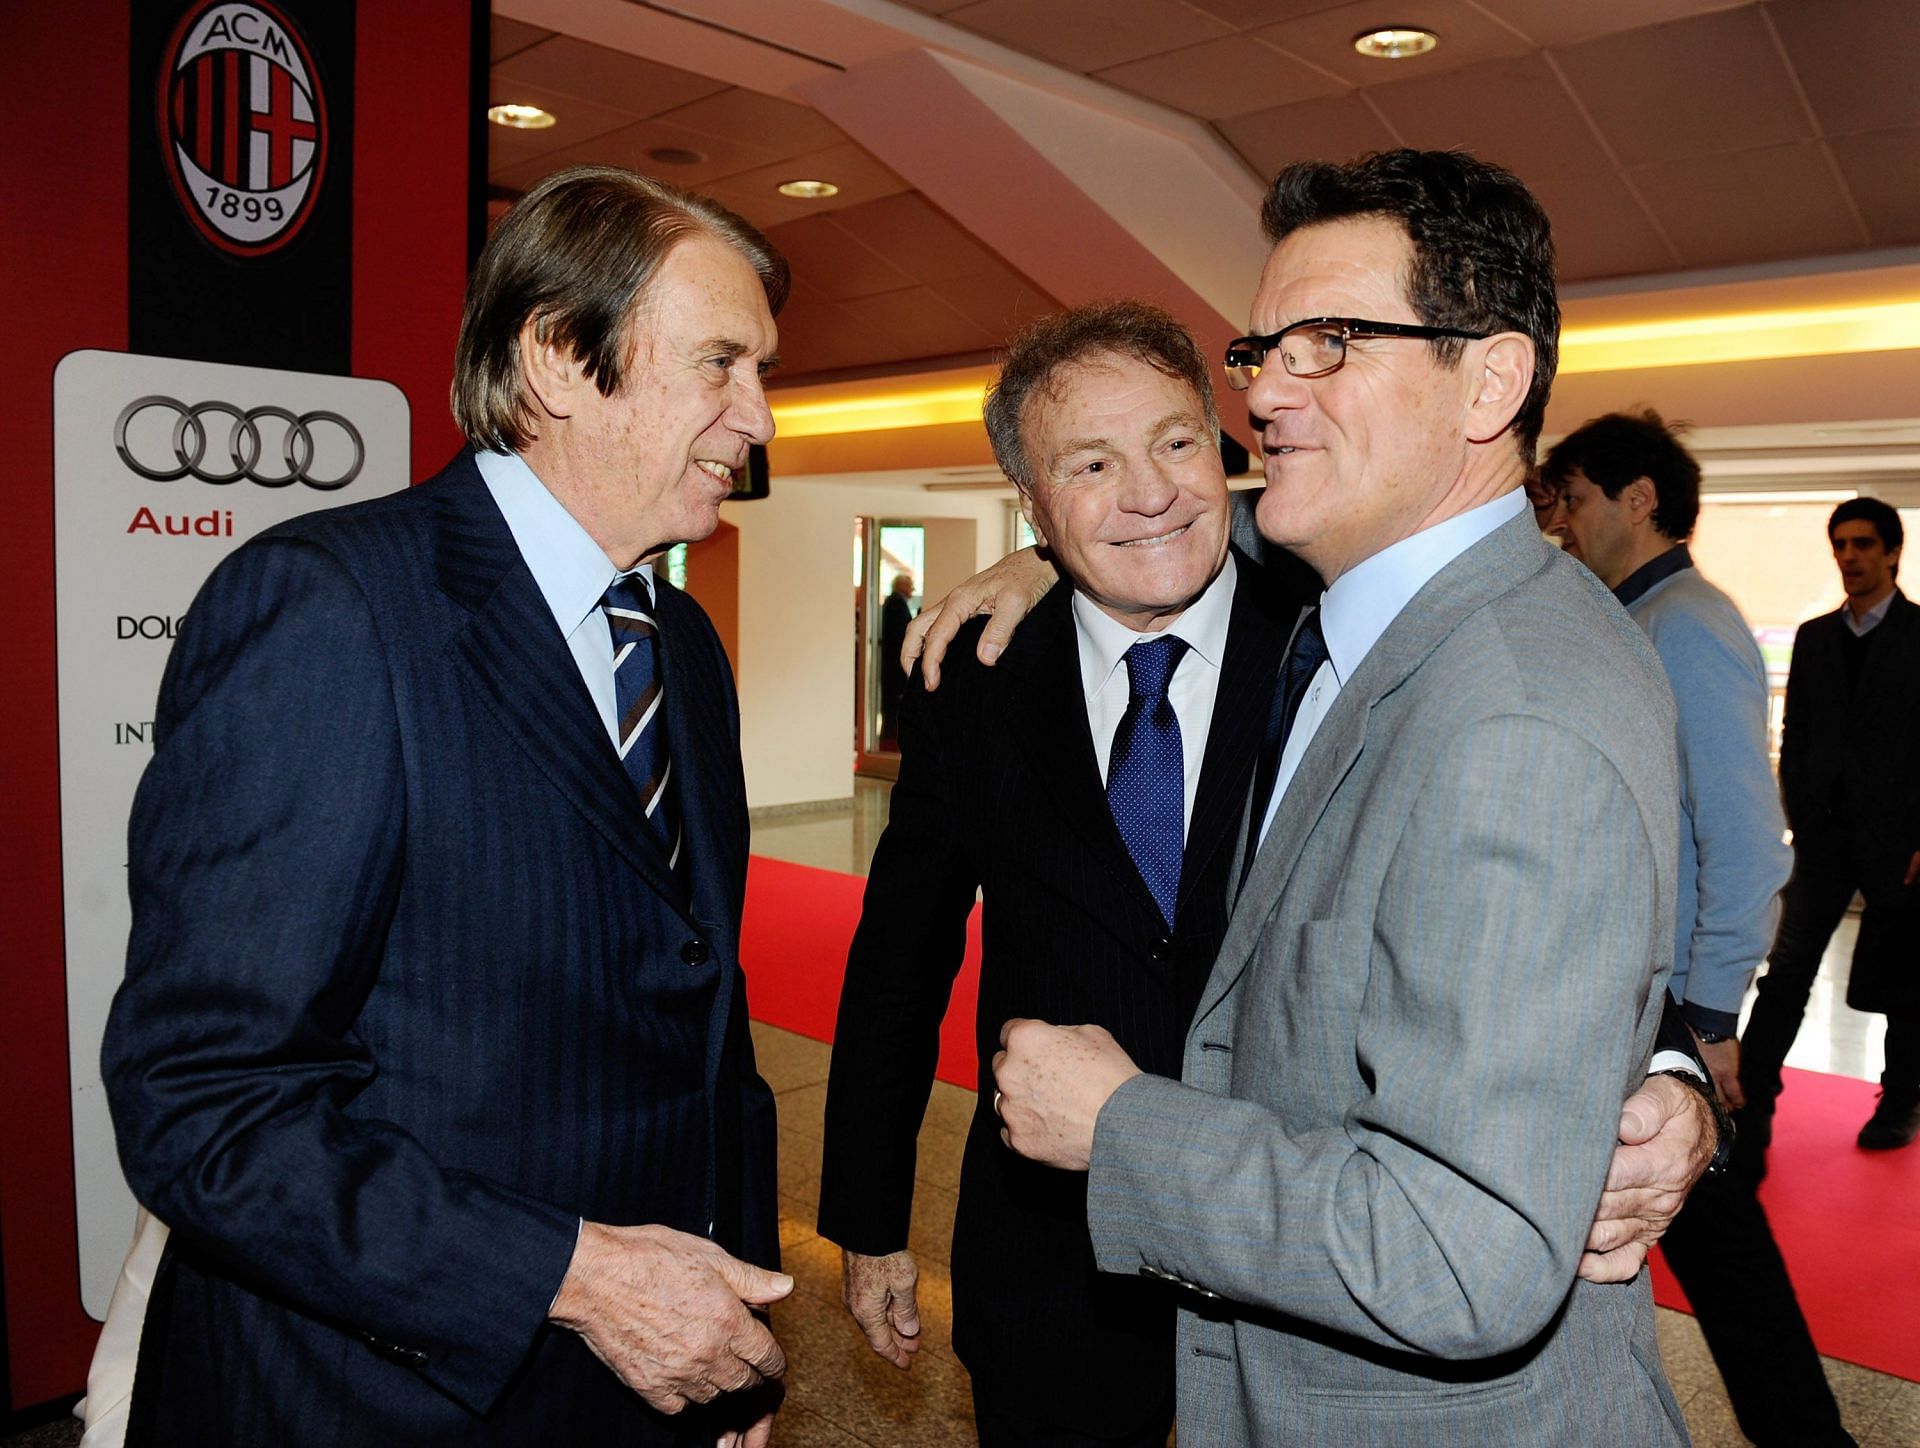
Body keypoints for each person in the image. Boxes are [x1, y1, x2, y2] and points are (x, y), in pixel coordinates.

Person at [990, 149, 1691, 1444]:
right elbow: (1195, 521)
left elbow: (1457, 1253)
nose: (1264, 398)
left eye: (1333, 344)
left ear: (1491, 379)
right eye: (1264, 351)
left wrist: (1124, 1131)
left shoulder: (1513, 715)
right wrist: (1056, 551)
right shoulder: (1368, 608)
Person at [101, 166, 793, 1448]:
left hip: (642, 1378)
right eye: (720, 364)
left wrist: (732, 1335)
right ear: (556, 361)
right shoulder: (329, 611)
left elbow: (707, 1029)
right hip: (374, 1394)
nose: (758, 416)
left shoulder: (683, 644)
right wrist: (580, 1278)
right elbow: (205, 1099)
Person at [818, 302, 1311, 1445]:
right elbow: (901, 957)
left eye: (1178, 441)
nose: (1153, 491)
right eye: (1092, 464)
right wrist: (870, 1215)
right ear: (1033, 506)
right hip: (1055, 1259)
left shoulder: (1326, 642)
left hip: (1293, 1249)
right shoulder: (972, 675)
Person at [1545, 410, 1852, 1447]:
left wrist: (1711, 1016)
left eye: (1578, 497)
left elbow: (1750, 842)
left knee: (1723, 1245)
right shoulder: (1632, 615)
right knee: (1705, 1241)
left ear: (1640, 499)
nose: (1565, 522)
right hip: (1625, 993)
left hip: (1667, 1010)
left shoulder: (1689, 621)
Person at [1739, 496, 1920, 1164]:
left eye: (1864, 544)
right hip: (1821, 838)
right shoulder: (1815, 638)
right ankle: (1749, 1104)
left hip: (1901, 844)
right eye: (1841, 544)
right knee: (1785, 973)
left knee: (1906, 985)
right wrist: (1797, 813)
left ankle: (1900, 1101)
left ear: (1892, 552)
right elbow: (1798, 733)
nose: (1850, 556)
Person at [877, 571, 916, 747]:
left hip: (891, 666)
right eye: (910, 585)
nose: (913, 589)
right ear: (901, 587)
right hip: (894, 666)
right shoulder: (896, 605)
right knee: (893, 705)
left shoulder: (893, 603)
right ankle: (890, 742)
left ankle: (889, 739)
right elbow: (900, 634)